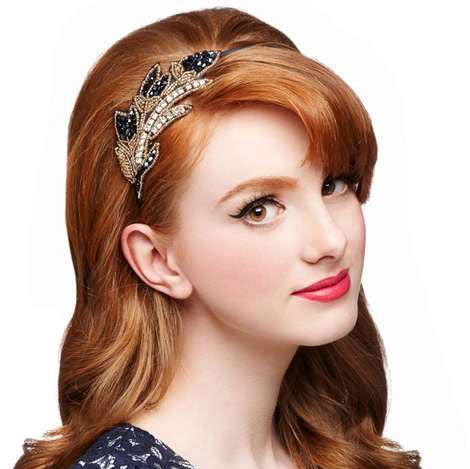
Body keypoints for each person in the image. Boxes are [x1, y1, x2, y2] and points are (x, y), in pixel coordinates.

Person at [14, 6, 422, 469]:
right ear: (157, 260)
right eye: (259, 209)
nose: (331, 241)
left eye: (334, 185)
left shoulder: (343, 454)